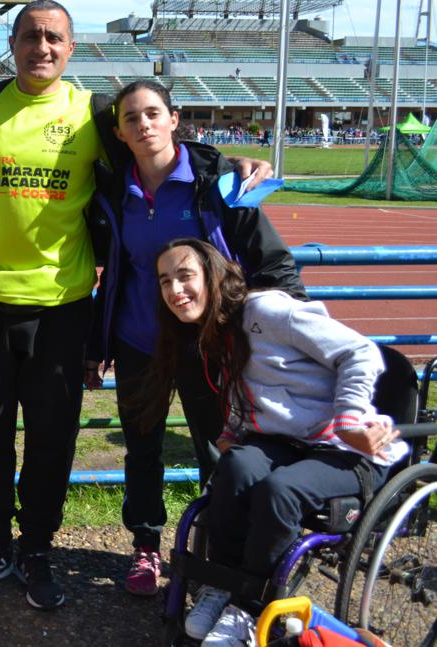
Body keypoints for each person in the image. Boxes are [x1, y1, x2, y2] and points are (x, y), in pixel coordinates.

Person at [0, 0, 271, 611]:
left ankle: (36, 547)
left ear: (70, 48)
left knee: (51, 438)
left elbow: (156, 148)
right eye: (30, 37)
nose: (42, 47)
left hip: (62, 307)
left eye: (54, 38)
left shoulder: (94, 113)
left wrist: (226, 162)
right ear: (12, 46)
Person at [85, 80, 304, 597]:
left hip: (209, 344)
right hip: (139, 342)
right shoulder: (112, 190)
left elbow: (272, 261)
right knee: (142, 450)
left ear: (174, 119)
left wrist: (292, 327)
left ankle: (215, 552)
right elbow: (111, 272)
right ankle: (145, 546)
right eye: (131, 118)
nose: (143, 124)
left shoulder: (220, 182)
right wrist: (97, 347)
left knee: (218, 451)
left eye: (153, 113)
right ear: (119, 132)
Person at [150, 239, 406, 645]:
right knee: (234, 466)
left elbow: (359, 352)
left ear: (212, 276)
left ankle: (249, 609)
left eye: (185, 276)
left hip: (347, 447)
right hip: (288, 442)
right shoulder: (214, 331)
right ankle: (222, 585)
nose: (175, 290)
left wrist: (349, 420)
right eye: (165, 281)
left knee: (279, 491)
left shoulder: (267, 312)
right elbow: (254, 388)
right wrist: (233, 434)